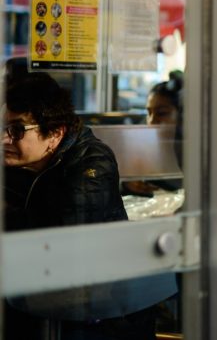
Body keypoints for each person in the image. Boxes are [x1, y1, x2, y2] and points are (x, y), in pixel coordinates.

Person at [4, 72, 169, 338]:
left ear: (55, 134)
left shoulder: (93, 162)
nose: (5, 139)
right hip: (38, 307)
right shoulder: (17, 164)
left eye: (16, 130)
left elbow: (61, 239)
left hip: (99, 317)